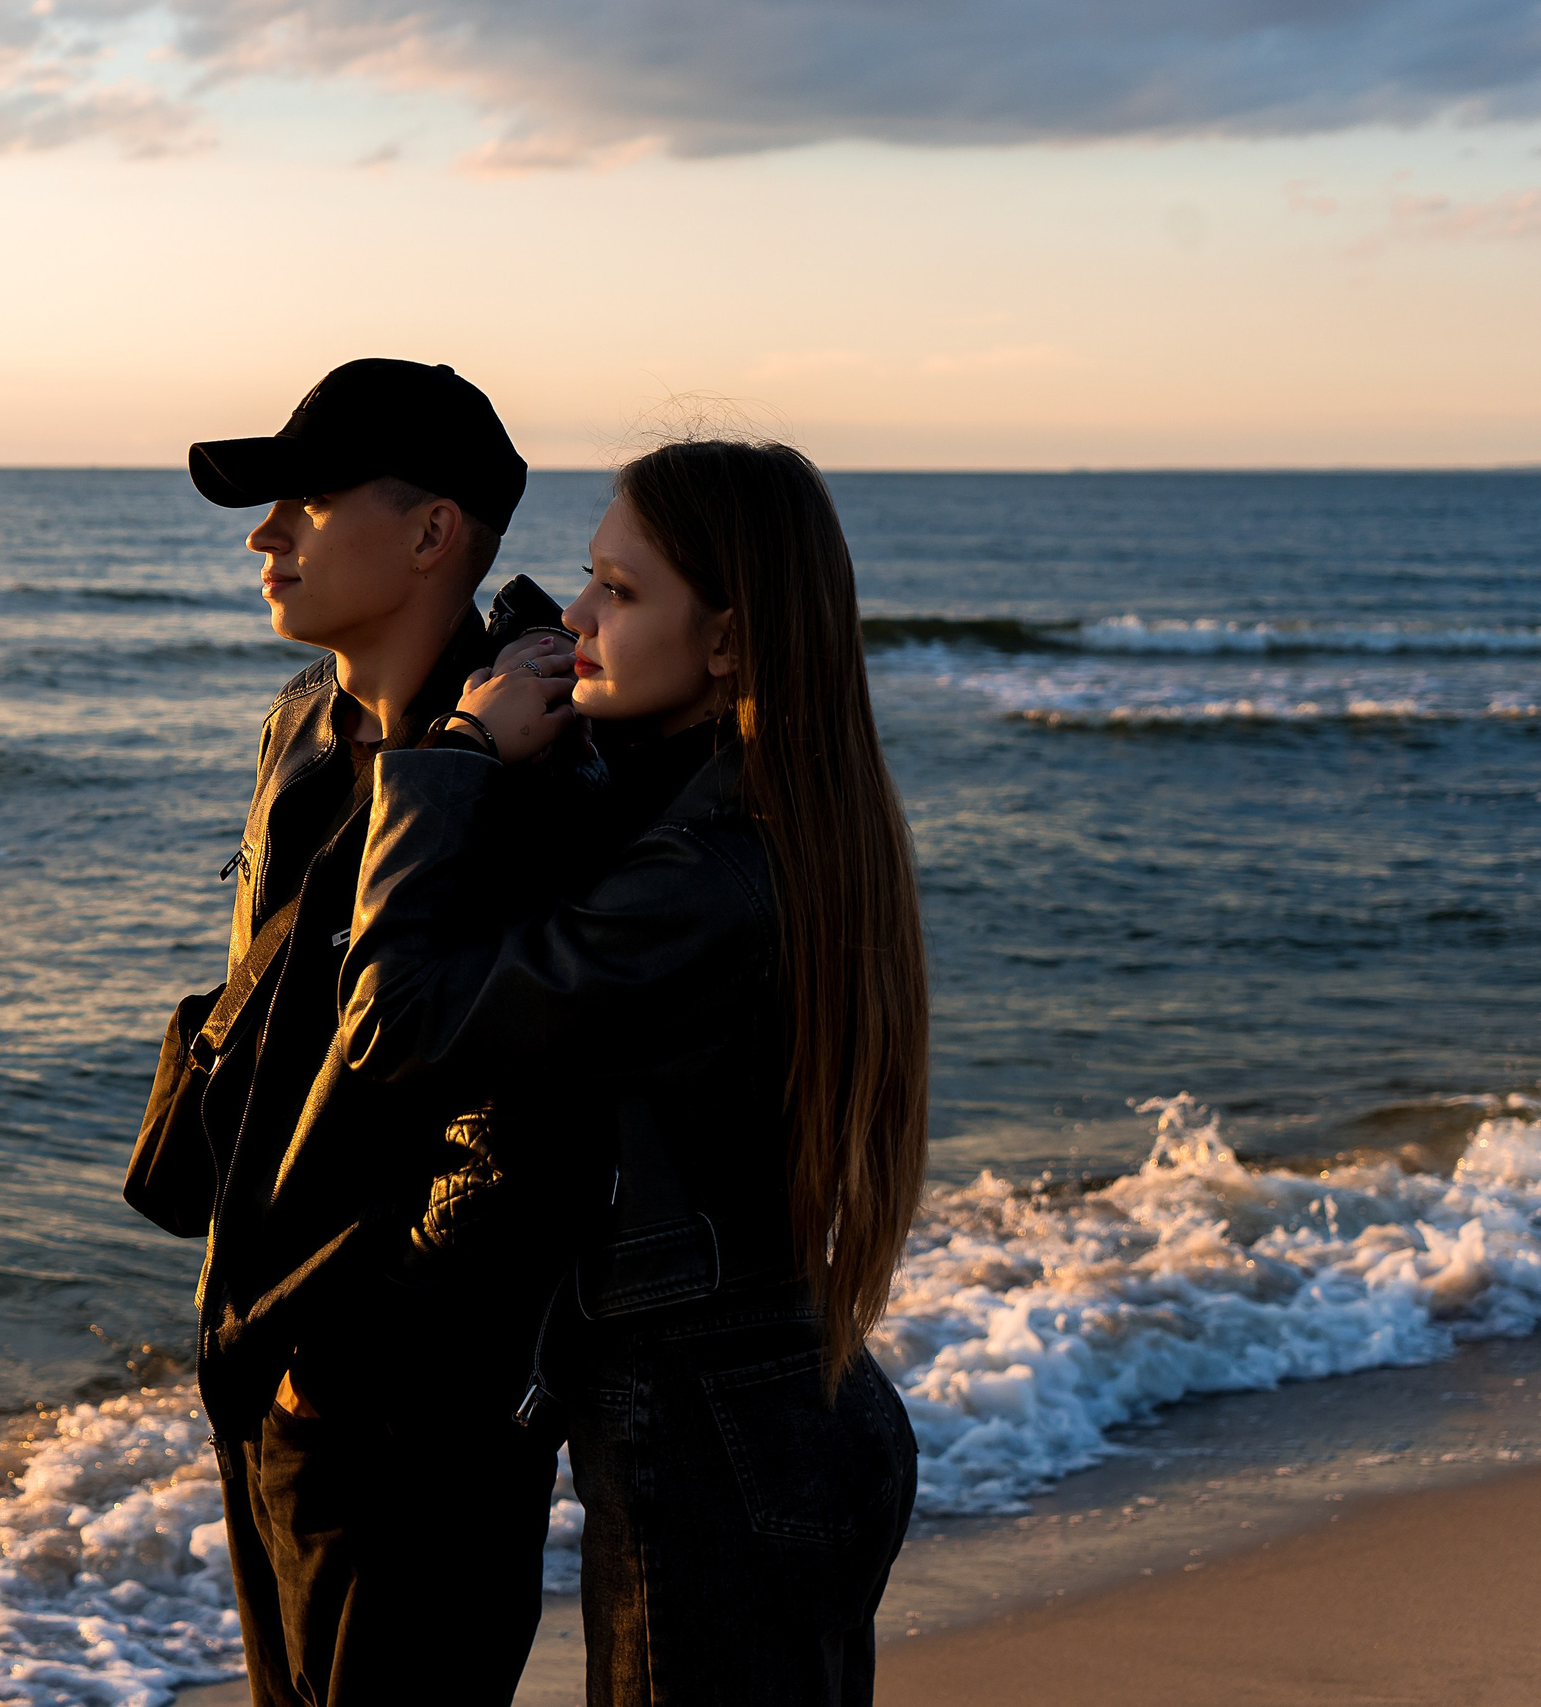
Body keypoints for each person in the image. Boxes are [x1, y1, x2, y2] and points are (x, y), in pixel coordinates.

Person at [339, 437, 928, 1706]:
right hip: (782, 1399)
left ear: (726, 641)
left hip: (713, 1439)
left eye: (621, 589)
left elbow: (396, 1023)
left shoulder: (701, 885)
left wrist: (445, 759)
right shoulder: (757, 816)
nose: (580, 618)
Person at [126, 358, 582, 1706]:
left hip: (411, 1405)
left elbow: (528, 1112)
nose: (264, 534)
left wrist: (377, 1341)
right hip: (273, 1362)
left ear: (436, 532)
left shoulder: (539, 756)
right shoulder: (303, 728)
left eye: (307, 503)